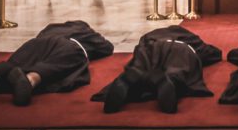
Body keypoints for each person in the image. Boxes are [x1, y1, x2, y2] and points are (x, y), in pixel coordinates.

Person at [0, 21, 113, 106]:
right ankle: (31, 80)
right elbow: (107, 48)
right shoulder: (83, 30)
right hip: (68, 45)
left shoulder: (49, 28)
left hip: (35, 44)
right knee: (59, 64)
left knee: (16, 64)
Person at [93, 26, 222, 114]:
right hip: (179, 48)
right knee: (177, 70)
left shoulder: (149, 35)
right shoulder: (189, 38)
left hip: (149, 47)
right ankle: (169, 79)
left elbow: (140, 44)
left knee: (140, 67)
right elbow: (214, 54)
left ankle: (131, 76)